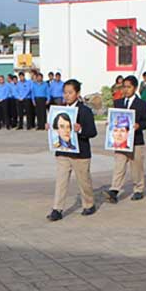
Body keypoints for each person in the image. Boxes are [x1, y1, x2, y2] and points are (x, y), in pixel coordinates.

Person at [47, 79, 97, 222]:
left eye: (70, 92)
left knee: (84, 181)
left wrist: (80, 129)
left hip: (80, 154)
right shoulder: (60, 110)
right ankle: (57, 209)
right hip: (63, 152)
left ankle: (89, 204)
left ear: (77, 93)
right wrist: (50, 127)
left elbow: (92, 132)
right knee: (61, 181)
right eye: (65, 93)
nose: (67, 96)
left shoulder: (85, 111)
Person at [105, 75, 146, 203]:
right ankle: (114, 190)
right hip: (121, 142)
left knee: (136, 166)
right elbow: (115, 118)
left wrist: (139, 125)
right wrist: (111, 124)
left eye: (129, 87)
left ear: (135, 88)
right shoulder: (118, 103)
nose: (126, 90)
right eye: (124, 87)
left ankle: (138, 189)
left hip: (136, 141)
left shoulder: (141, 104)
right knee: (119, 165)